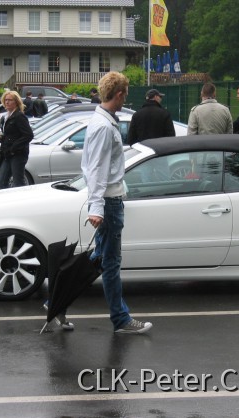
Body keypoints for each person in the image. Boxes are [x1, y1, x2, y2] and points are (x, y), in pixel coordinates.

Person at [81, 71, 153, 335]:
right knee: (110, 263)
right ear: (120, 94)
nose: (125, 98)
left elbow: (96, 167)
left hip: (109, 200)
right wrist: (96, 207)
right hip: (109, 203)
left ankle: (54, 301)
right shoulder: (103, 126)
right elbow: (97, 169)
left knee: (98, 261)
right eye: (125, 94)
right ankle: (121, 319)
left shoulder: (102, 121)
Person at [0, 91, 34, 190]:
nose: (7, 102)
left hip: (18, 154)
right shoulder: (7, 116)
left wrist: (13, 148)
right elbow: (11, 135)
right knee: (1, 182)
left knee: (18, 182)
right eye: (5, 100)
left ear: (16, 102)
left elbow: (28, 135)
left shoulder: (19, 116)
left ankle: (21, 203)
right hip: (7, 154)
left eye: (10, 100)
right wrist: (1, 137)